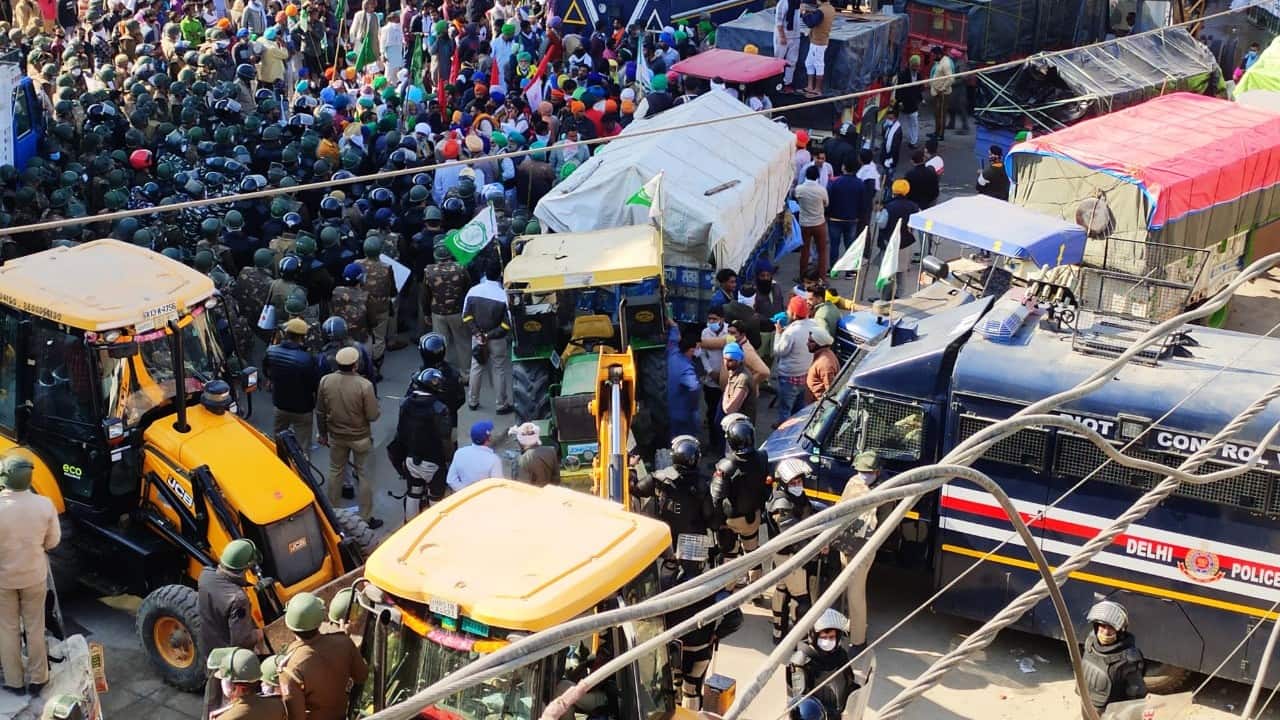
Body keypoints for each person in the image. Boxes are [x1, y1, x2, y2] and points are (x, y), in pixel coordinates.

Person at [631, 435, 720, 710]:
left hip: (664, 550)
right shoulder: (702, 485)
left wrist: (631, 469)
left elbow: (636, 490)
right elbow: (713, 518)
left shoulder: (659, 479)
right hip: (693, 551)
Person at [0, 454, 59, 697]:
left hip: (3, 580)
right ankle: (39, 679)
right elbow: (53, 542)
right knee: (35, 626)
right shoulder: (45, 504)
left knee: (7, 629)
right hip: (34, 576)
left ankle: (14, 682)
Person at [316, 346, 383, 529]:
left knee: (335, 471)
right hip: (360, 437)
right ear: (355, 364)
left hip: (336, 436)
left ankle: (333, 513)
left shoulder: (326, 381)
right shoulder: (364, 385)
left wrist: (323, 433)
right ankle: (365, 518)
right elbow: (372, 415)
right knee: (364, 475)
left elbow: (320, 411)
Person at [198, 539, 264, 716]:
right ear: (245, 567)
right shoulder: (238, 599)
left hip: (210, 649)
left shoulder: (205, 576)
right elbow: (241, 640)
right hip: (229, 658)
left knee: (212, 696)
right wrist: (258, 634)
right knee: (230, 702)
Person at [279, 593, 368, 720]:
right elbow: (362, 676)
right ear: (320, 620)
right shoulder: (344, 642)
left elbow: (297, 717)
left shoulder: (289, 670)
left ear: (290, 626)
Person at [835, 450, 882, 653]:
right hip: (846, 543)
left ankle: (858, 640)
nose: (864, 476)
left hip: (864, 549)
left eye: (868, 472)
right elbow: (840, 507)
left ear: (877, 472)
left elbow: (883, 526)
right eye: (861, 471)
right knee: (846, 589)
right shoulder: (853, 482)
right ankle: (849, 625)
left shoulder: (884, 492)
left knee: (855, 594)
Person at [711, 415, 770, 578]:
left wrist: (716, 522)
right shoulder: (762, 457)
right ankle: (756, 586)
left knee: (729, 556)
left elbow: (716, 498)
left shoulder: (725, 467)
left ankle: (729, 589)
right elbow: (767, 487)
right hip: (753, 517)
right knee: (752, 554)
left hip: (731, 520)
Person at [767, 458, 816, 646]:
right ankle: (800, 639)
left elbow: (809, 517)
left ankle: (778, 633)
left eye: (799, 481)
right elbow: (792, 534)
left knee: (782, 590)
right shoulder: (782, 504)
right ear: (784, 483)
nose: (797, 485)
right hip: (788, 555)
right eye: (793, 482)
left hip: (789, 553)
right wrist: (813, 547)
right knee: (801, 599)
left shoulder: (798, 497)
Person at [393, 368, 455, 513]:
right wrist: (449, 459)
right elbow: (445, 439)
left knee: (413, 493)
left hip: (411, 459)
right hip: (434, 462)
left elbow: (400, 433)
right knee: (436, 498)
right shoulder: (440, 409)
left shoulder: (405, 404)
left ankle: (411, 523)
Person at [788, 608, 861, 719]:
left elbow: (850, 682)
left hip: (841, 714)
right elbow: (802, 703)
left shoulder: (840, 655)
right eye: (823, 637)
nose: (827, 641)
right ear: (814, 636)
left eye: (831, 637)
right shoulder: (801, 661)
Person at [263, 318, 321, 452]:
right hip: (303, 408)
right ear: (302, 336)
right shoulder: (307, 359)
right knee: (303, 446)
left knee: (278, 441)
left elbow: (267, 372)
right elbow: (315, 385)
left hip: (280, 404)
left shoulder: (271, 351)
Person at [462, 262, 513, 413]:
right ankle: (501, 404)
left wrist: (478, 334)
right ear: (500, 275)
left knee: (476, 368)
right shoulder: (503, 296)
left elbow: (466, 316)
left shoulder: (473, 291)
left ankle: (472, 401)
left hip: (478, 339)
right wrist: (489, 335)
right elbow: (507, 324)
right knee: (499, 369)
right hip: (497, 340)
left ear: (485, 274)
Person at [1081, 600, 1147, 713]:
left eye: (1111, 628)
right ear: (1096, 626)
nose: (1106, 632)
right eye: (1102, 626)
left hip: (1110, 713)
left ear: (1120, 631)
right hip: (1086, 704)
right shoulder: (1090, 642)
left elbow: (1137, 693)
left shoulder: (1129, 659)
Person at [423, 241, 473, 375]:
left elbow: (425, 295)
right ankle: (466, 373)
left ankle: (441, 373)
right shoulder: (460, 268)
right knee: (463, 342)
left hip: (438, 313)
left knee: (439, 344)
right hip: (458, 311)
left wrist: (426, 313)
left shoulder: (428, 271)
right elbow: (468, 288)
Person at [205, 648, 284, 720]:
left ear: (239, 688)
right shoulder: (277, 705)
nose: (222, 682)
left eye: (225, 679)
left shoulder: (226, 717)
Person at [772, 296, 818, 418]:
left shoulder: (791, 332)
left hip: (789, 377)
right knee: (799, 409)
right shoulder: (814, 324)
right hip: (805, 373)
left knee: (785, 410)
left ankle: (784, 428)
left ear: (793, 313)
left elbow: (779, 351)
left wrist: (778, 334)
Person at [876, 179, 921, 300]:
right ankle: (900, 295)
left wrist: (878, 213)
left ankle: (885, 296)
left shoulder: (888, 207)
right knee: (902, 270)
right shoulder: (914, 206)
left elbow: (881, 224)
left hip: (889, 242)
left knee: (888, 270)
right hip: (905, 242)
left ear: (893, 191)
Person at [699, 306, 729, 455]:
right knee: (712, 413)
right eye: (709, 319)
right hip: (710, 381)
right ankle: (713, 443)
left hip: (725, 380)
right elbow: (702, 354)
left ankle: (725, 444)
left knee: (725, 414)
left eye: (714, 319)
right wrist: (710, 371)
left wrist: (722, 374)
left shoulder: (730, 332)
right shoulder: (705, 332)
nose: (711, 322)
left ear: (722, 319)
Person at [827, 160, 867, 270]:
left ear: (843, 167)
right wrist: (860, 216)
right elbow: (862, 203)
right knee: (850, 246)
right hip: (852, 219)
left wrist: (827, 214)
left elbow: (829, 200)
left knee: (834, 245)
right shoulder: (860, 184)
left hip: (835, 218)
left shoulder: (835, 183)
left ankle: (833, 268)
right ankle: (849, 271)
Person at [667, 321, 702, 441]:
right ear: (691, 350)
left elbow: (673, 339)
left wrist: (673, 326)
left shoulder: (673, 354)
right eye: (697, 348)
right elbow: (694, 387)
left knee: (674, 440)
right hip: (685, 414)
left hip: (671, 410)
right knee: (687, 442)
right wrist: (693, 406)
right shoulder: (687, 369)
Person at [447, 420, 505, 492]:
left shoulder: (459, 453)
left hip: (467, 496)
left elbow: (450, 480)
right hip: (485, 496)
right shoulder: (494, 460)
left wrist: (467, 492)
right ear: (488, 439)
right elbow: (498, 486)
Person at [795, 165, 830, 278]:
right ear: (817, 176)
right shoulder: (821, 190)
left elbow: (797, 199)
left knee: (805, 251)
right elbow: (826, 203)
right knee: (822, 251)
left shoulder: (799, 189)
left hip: (804, 223)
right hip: (819, 223)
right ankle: (822, 277)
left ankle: (802, 275)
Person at [512, 422, 560, 487]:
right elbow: (556, 478)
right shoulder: (551, 451)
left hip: (533, 492)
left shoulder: (521, 459)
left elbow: (520, 486)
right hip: (549, 491)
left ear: (521, 442)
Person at [803, 0, 835, 97]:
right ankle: (810, 87)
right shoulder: (830, 8)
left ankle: (817, 89)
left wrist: (804, 13)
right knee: (809, 63)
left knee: (818, 64)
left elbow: (810, 23)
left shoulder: (821, 11)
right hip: (819, 41)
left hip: (818, 42)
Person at [719, 342, 757, 425]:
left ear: (739, 360)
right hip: (735, 422)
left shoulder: (742, 379)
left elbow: (729, 409)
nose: (726, 363)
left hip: (741, 425)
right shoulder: (734, 371)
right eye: (724, 359)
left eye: (730, 360)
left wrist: (725, 397)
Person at [774, 0, 803, 92]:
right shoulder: (783, 3)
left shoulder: (798, 2)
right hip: (783, 36)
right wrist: (782, 36)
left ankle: (788, 83)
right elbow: (779, 21)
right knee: (778, 60)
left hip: (795, 36)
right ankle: (776, 83)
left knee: (792, 61)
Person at [896, 55, 924, 147]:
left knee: (914, 123)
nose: (916, 67)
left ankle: (913, 141)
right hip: (904, 102)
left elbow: (919, 89)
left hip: (913, 103)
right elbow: (899, 89)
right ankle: (897, 140)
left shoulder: (919, 75)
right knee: (901, 124)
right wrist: (899, 101)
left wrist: (921, 99)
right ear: (911, 64)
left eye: (917, 66)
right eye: (915, 65)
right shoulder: (903, 74)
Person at [928, 45, 955, 142]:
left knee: (941, 114)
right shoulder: (939, 61)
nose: (932, 57)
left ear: (938, 54)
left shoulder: (946, 63)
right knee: (937, 114)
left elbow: (951, 79)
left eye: (933, 55)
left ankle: (940, 135)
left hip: (943, 93)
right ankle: (936, 132)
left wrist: (942, 89)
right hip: (937, 92)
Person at [805, 326, 839, 402]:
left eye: (811, 342)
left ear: (820, 343)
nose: (807, 344)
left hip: (817, 405)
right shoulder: (824, 355)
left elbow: (830, 392)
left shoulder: (825, 364)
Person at [880, 108, 903, 177]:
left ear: (896, 118)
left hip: (891, 156)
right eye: (888, 118)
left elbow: (895, 147)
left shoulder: (898, 131)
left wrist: (889, 158)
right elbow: (884, 136)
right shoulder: (886, 124)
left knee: (889, 174)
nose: (888, 120)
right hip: (885, 151)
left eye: (891, 118)